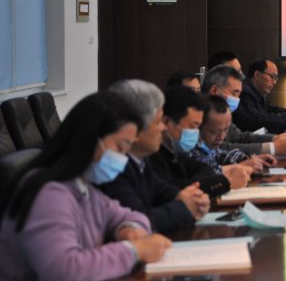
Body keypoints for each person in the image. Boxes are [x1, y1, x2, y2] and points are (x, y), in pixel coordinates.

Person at [0, 92, 172, 281]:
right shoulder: (49, 194)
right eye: (120, 148)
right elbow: (62, 274)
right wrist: (133, 251)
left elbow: (129, 215)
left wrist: (129, 228)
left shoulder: (83, 186)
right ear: (90, 139)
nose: (123, 159)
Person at [104, 80, 210, 233]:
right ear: (135, 126)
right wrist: (185, 206)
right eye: (158, 121)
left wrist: (192, 198)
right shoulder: (111, 167)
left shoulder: (140, 160)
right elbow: (139, 221)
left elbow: (164, 191)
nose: (163, 127)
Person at [150, 86, 239, 195]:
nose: (196, 133)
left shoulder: (174, 152)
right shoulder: (151, 154)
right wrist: (226, 181)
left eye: (198, 127)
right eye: (192, 127)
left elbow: (205, 169)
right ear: (166, 122)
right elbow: (174, 189)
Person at [202, 65, 286, 156]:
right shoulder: (199, 114)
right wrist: (272, 147)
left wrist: (275, 138)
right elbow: (219, 149)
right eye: (234, 93)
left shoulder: (221, 113)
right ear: (214, 90)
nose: (237, 99)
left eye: (238, 95)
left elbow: (239, 137)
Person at [188, 96, 276, 174]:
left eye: (225, 130)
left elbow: (222, 154)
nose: (221, 136)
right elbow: (204, 174)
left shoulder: (210, 147)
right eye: (214, 132)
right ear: (198, 127)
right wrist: (240, 166)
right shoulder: (191, 149)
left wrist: (247, 159)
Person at [235, 57, 286, 134]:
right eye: (272, 76)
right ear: (257, 75)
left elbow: (271, 109)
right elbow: (258, 120)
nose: (274, 82)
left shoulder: (257, 92)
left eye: (276, 78)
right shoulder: (245, 91)